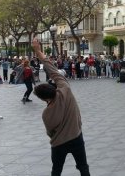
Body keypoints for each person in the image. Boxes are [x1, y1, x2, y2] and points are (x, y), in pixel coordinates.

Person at [32, 38, 90, 176]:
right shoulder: (65, 89)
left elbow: (50, 132)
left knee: (56, 170)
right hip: (76, 137)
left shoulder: (46, 113)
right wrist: (38, 50)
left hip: (59, 144)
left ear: (43, 98)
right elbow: (52, 69)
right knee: (83, 167)